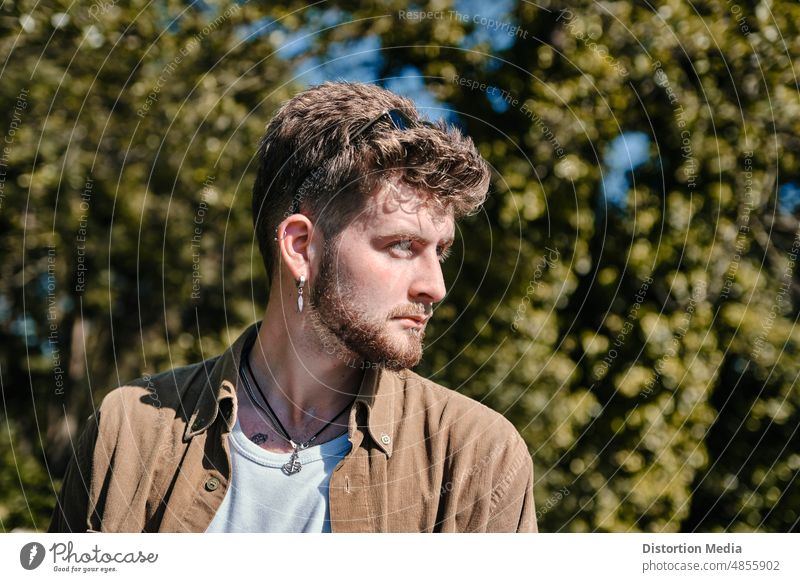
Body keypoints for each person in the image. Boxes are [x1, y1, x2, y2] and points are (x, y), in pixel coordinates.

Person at [48, 82, 537, 533]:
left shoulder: (477, 456)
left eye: (441, 251)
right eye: (403, 246)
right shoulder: (130, 431)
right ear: (301, 247)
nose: (436, 286)